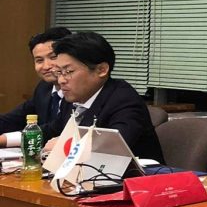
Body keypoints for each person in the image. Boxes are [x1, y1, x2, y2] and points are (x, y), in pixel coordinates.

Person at [52, 31, 164, 161]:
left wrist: (62, 146)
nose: (61, 80)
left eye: (68, 71)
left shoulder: (124, 100)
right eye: (59, 72)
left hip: (130, 172)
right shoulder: (74, 97)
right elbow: (53, 129)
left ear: (101, 70)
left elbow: (111, 148)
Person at [0, 26, 72, 147]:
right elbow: (12, 119)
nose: (46, 66)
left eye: (53, 57)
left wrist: (3, 140)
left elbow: (54, 131)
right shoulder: (44, 87)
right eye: (39, 60)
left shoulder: (80, 92)